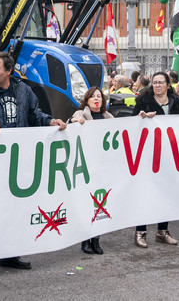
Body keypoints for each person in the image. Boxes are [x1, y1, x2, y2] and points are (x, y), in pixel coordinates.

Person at [0, 51, 65, 277]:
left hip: (17, 160)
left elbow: (34, 115)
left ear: (8, 71)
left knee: (14, 209)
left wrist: (50, 121)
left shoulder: (24, 90)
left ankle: (9, 255)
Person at [131, 71, 179, 247]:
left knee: (166, 193)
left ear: (167, 84)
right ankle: (140, 232)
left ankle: (162, 231)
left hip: (168, 155)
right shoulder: (144, 100)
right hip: (148, 154)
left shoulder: (175, 101)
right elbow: (132, 122)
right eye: (154, 82)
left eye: (160, 82)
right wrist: (141, 117)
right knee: (145, 193)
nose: (157, 85)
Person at [70, 86, 112, 255]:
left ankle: (96, 239)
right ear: (86, 100)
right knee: (87, 203)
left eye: (99, 97)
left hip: (103, 168)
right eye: (93, 97)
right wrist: (75, 122)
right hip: (86, 167)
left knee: (100, 205)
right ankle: (85, 240)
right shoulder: (81, 114)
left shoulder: (108, 117)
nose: (96, 99)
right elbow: (72, 121)